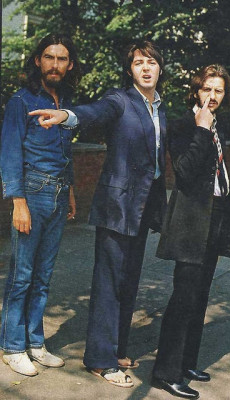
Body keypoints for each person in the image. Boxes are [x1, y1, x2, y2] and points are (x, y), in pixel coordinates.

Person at [30, 40, 167, 387]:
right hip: (117, 207)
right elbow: (95, 111)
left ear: (160, 68)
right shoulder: (120, 100)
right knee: (109, 284)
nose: (146, 68)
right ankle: (101, 360)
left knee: (129, 281)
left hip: (141, 209)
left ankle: (117, 348)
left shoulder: (160, 108)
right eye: (138, 63)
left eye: (151, 62)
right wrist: (67, 116)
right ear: (130, 70)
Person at [151, 65, 230, 399]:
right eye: (207, 89)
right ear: (196, 90)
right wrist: (202, 131)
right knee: (183, 297)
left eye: (218, 91)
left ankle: (186, 363)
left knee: (201, 296)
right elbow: (184, 172)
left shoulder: (221, 126)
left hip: (216, 216)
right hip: (191, 219)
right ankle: (166, 371)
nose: (213, 96)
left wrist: (211, 129)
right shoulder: (183, 125)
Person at [0, 33, 81, 376]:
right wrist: (18, 202)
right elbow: (9, 152)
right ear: (38, 61)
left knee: (44, 277)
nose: (55, 64)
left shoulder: (64, 102)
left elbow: (64, 152)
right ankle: (12, 346)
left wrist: (72, 190)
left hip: (60, 194)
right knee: (22, 275)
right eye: (49, 57)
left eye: (62, 59)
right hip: (32, 193)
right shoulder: (21, 101)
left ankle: (35, 342)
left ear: (70, 65)